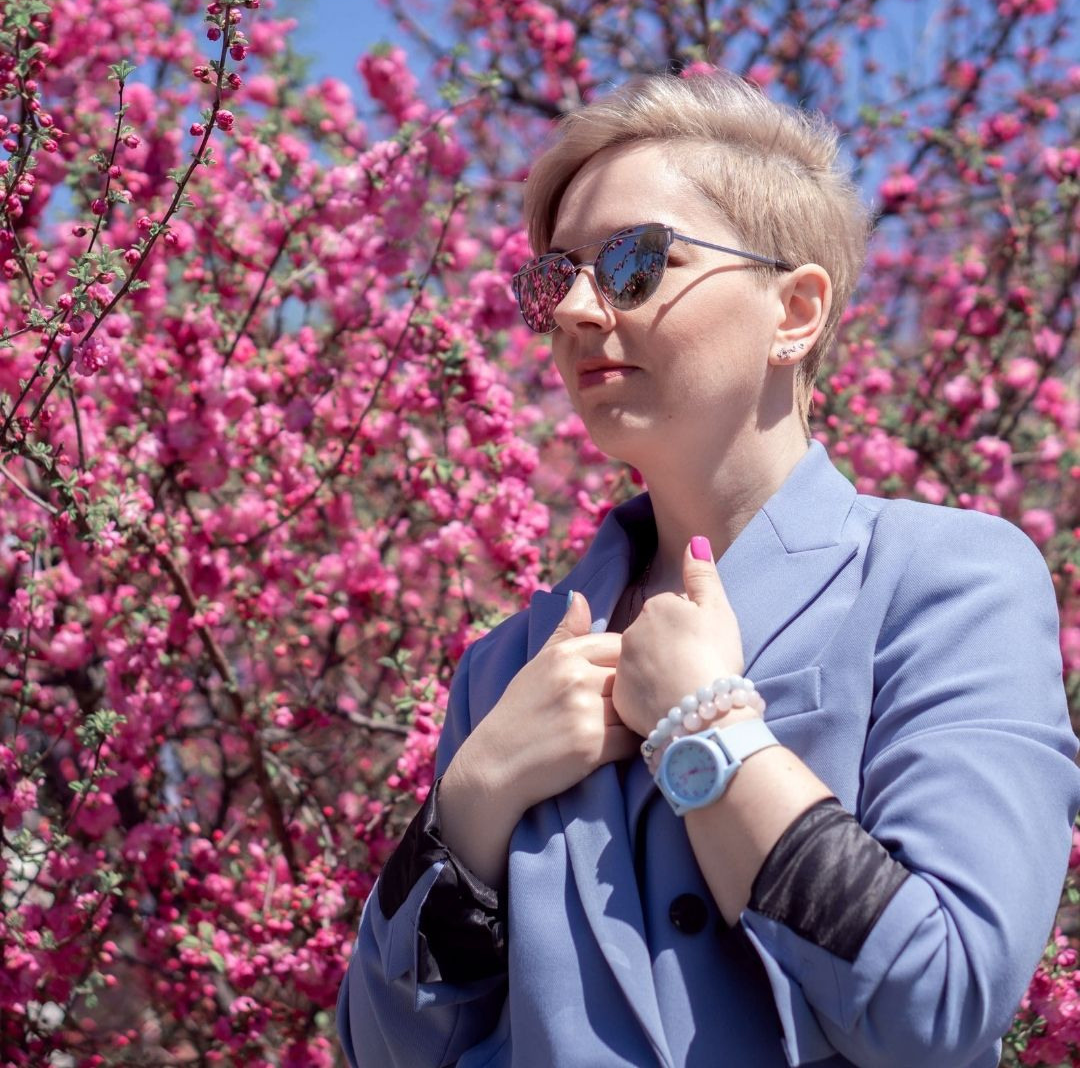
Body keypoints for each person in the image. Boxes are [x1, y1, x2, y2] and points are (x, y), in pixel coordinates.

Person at [337, 70, 1080, 1068]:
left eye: (636, 262)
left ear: (795, 311)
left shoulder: (943, 580)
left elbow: (940, 1003)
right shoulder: (508, 669)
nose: (578, 312)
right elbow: (385, 1055)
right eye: (555, 279)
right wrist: (474, 798)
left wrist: (707, 735)